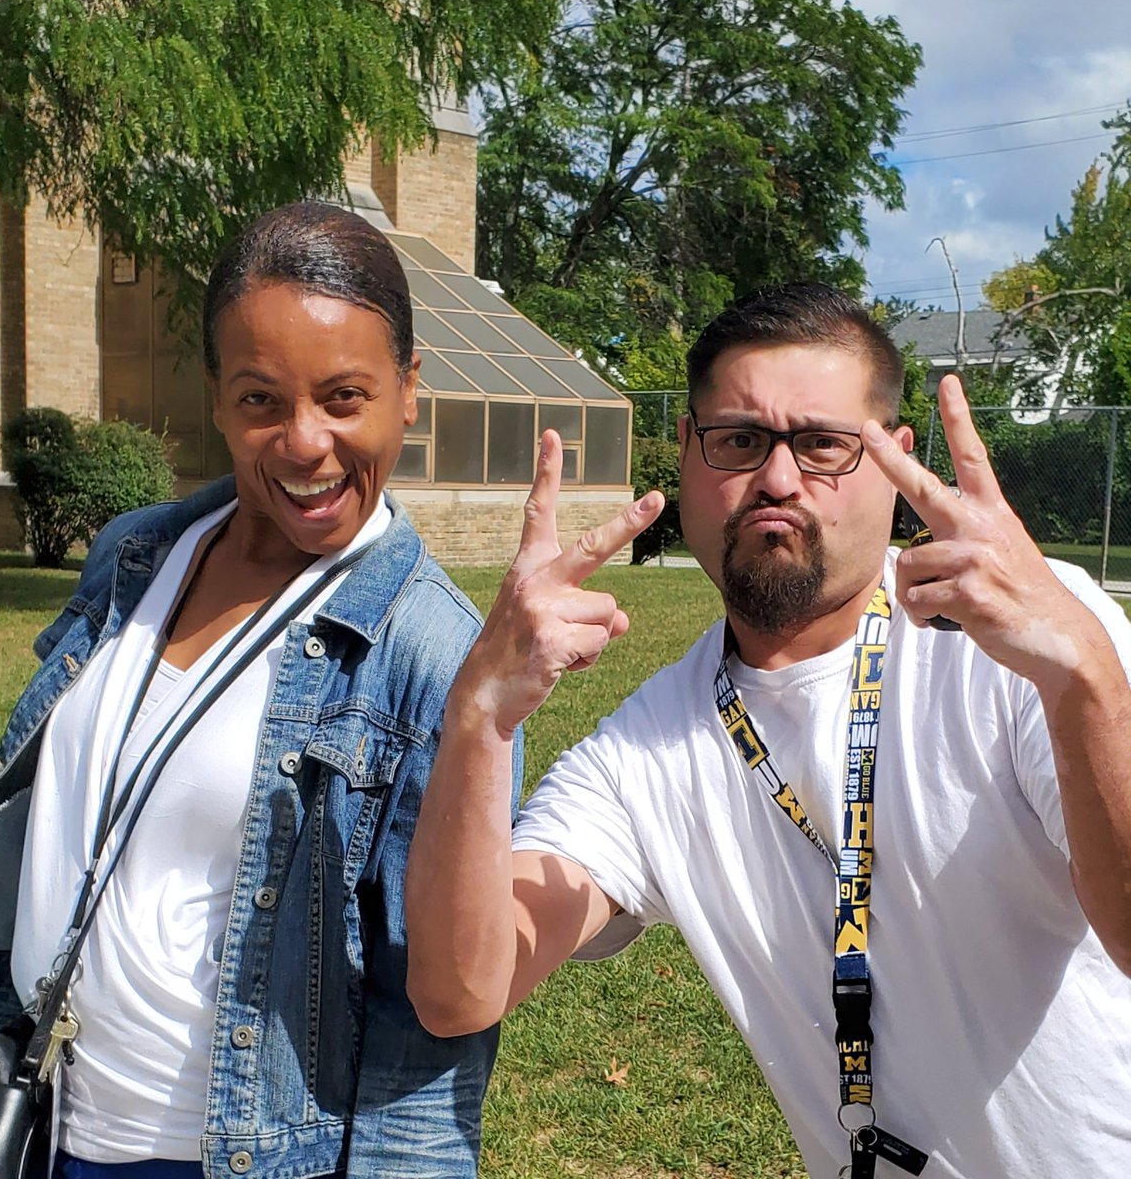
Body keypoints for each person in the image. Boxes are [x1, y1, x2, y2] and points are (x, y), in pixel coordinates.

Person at [406, 283, 1131, 1179]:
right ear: (688, 453)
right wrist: (477, 716)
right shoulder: (645, 753)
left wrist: (1088, 680)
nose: (778, 479)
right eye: (740, 441)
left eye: (825, 444)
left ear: (897, 460)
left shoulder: (1033, 641)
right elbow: (459, 992)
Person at [0, 201, 512, 1178]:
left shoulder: (429, 649)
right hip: (38, 1120)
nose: (303, 441)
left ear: (408, 391)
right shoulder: (136, 554)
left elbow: (425, 1040)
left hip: (226, 1155)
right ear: (214, 397)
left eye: (344, 396)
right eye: (260, 400)